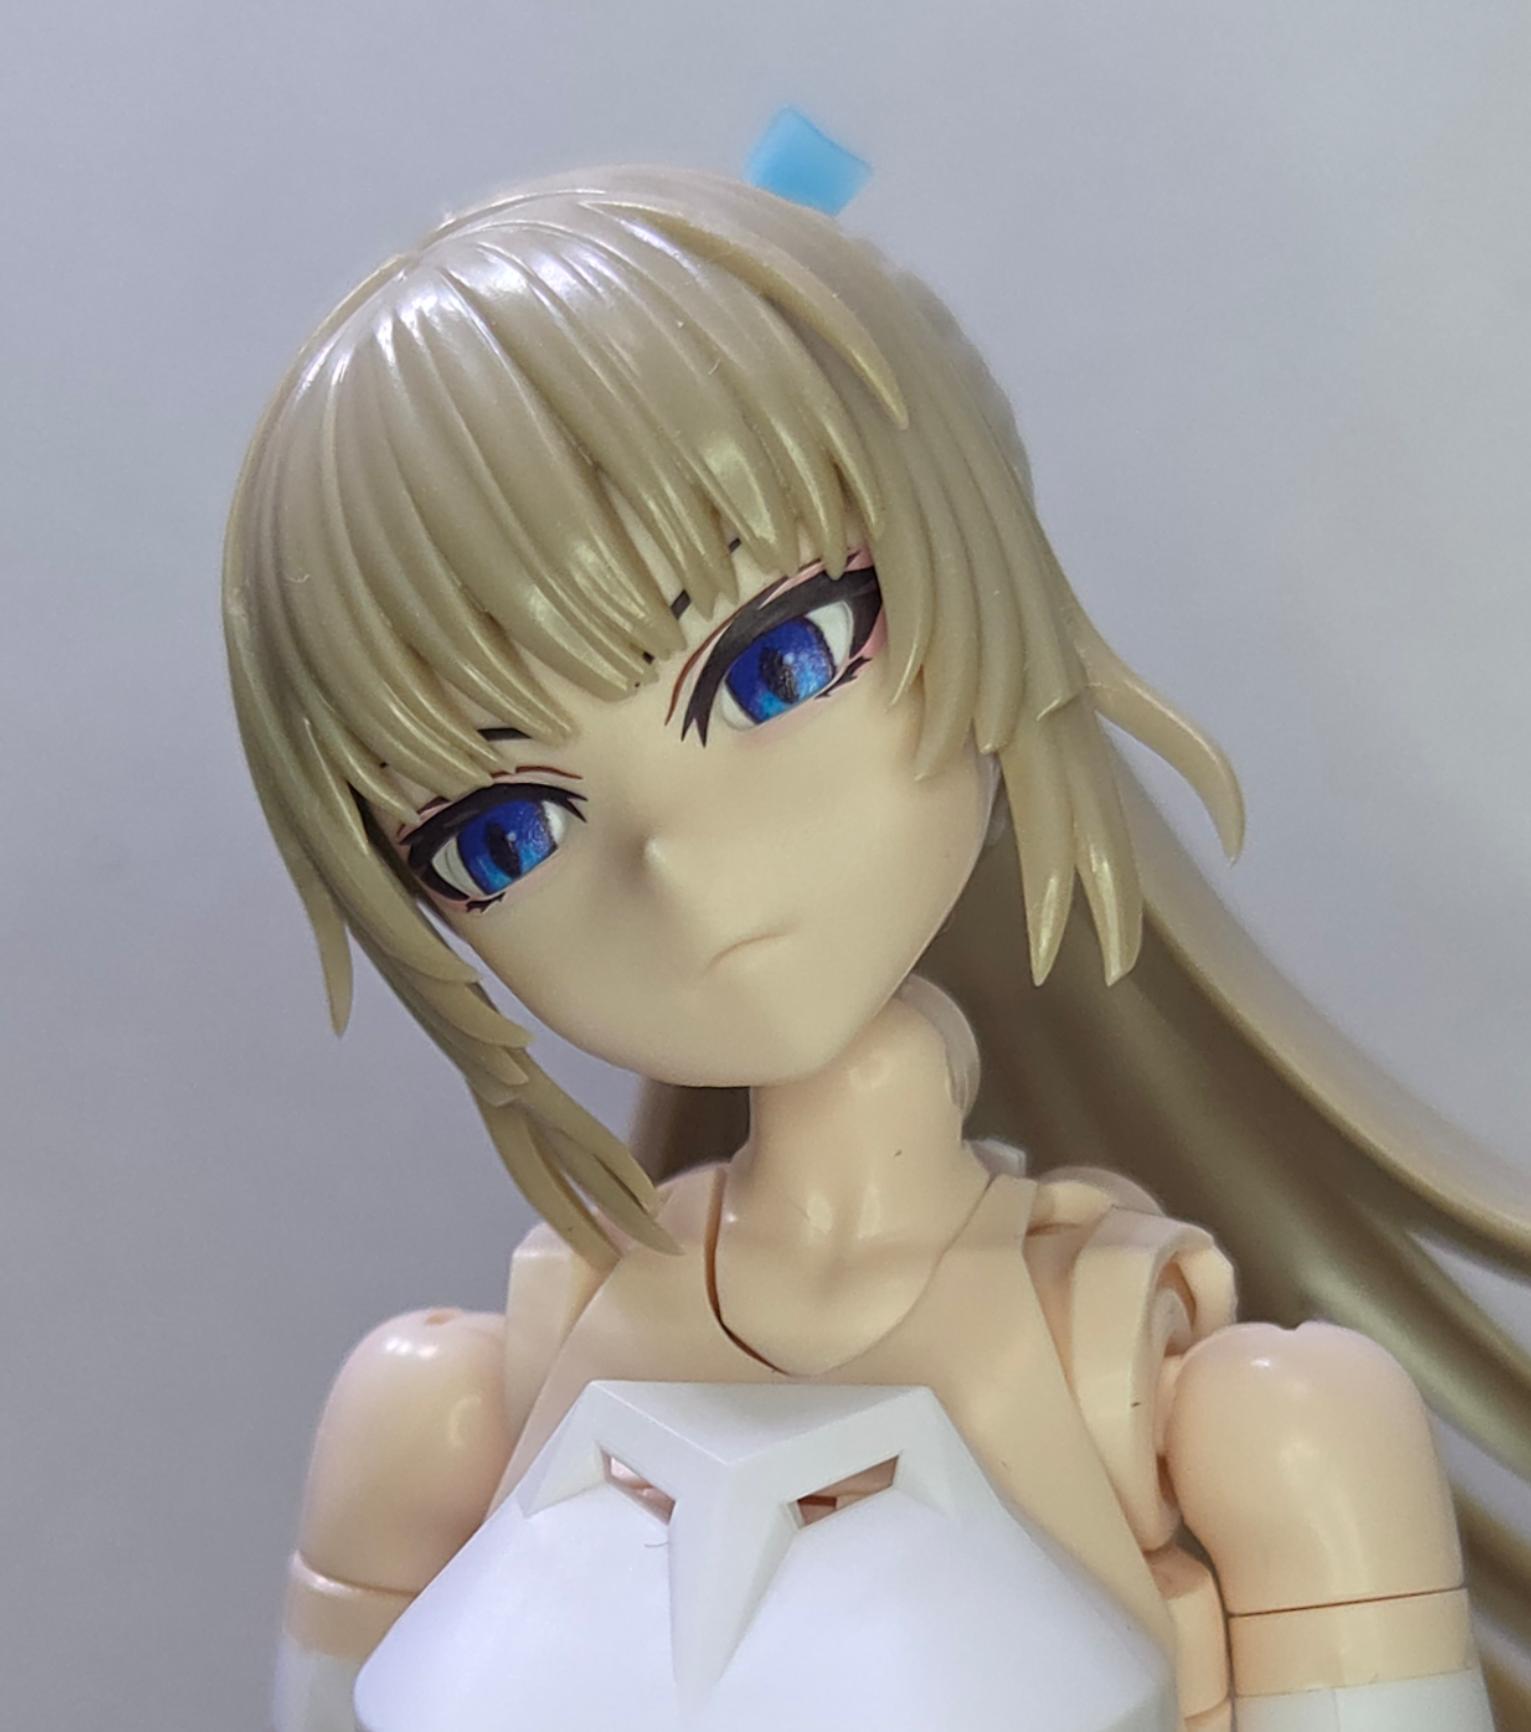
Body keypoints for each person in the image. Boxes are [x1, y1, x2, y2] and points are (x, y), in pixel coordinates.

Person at [223, 155, 1527, 1730]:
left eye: (777, 664)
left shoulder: (1254, 1432)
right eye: (502, 835)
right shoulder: (439, 1418)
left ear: (980, 573)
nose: (679, 871)